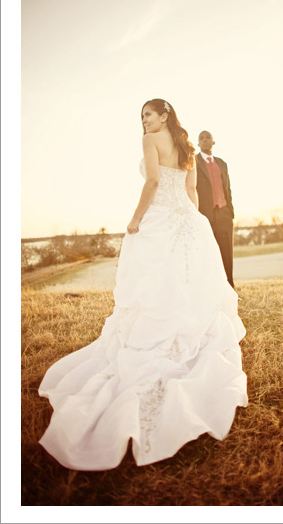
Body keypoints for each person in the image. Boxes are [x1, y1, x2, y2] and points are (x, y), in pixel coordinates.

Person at [37, 99, 248, 471]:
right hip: (187, 219)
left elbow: (153, 181)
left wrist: (135, 220)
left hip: (163, 218)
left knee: (157, 282)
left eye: (149, 114)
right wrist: (193, 219)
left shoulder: (152, 140)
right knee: (182, 281)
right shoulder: (185, 145)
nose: (144, 121)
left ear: (163, 115)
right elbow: (192, 191)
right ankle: (184, 330)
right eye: (142, 117)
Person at [195, 131, 235, 287]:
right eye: (201, 139)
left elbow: (228, 189)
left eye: (208, 138)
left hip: (224, 215)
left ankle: (230, 288)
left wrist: (230, 212)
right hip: (205, 216)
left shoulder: (222, 163)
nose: (205, 141)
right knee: (208, 254)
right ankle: (211, 289)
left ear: (213, 142)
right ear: (198, 144)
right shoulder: (194, 162)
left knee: (227, 253)